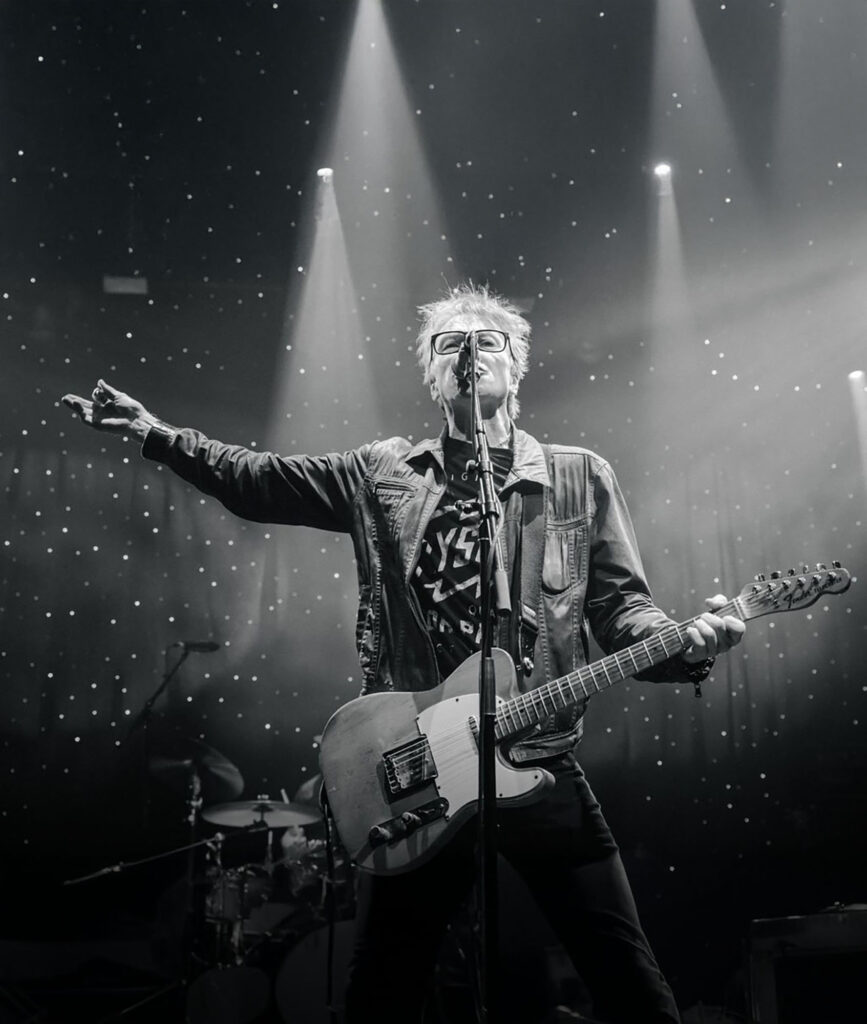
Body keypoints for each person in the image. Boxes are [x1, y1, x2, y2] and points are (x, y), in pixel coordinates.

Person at [63, 282, 744, 1023]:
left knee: (626, 976)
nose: (468, 353)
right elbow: (258, 481)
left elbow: (620, 610)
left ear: (515, 366)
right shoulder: (382, 473)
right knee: (382, 991)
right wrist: (156, 433)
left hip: (538, 755)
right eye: (449, 344)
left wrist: (686, 647)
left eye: (487, 342)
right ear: (431, 373)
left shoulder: (576, 477)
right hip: (419, 769)